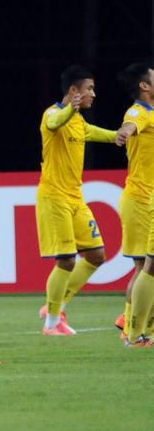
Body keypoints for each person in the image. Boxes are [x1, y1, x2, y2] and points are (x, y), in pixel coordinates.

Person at [35, 65, 124, 336]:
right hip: (54, 197)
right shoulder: (53, 114)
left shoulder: (78, 121)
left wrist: (119, 136)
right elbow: (53, 123)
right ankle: (52, 323)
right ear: (73, 91)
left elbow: (92, 132)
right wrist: (69, 109)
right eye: (89, 89)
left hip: (75, 197)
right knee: (66, 260)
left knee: (96, 255)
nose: (93, 94)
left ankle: (56, 305)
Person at [115, 63, 154, 345]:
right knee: (146, 268)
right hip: (142, 199)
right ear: (144, 86)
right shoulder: (138, 111)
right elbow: (130, 123)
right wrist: (124, 132)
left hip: (145, 198)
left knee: (145, 268)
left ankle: (135, 328)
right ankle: (134, 332)